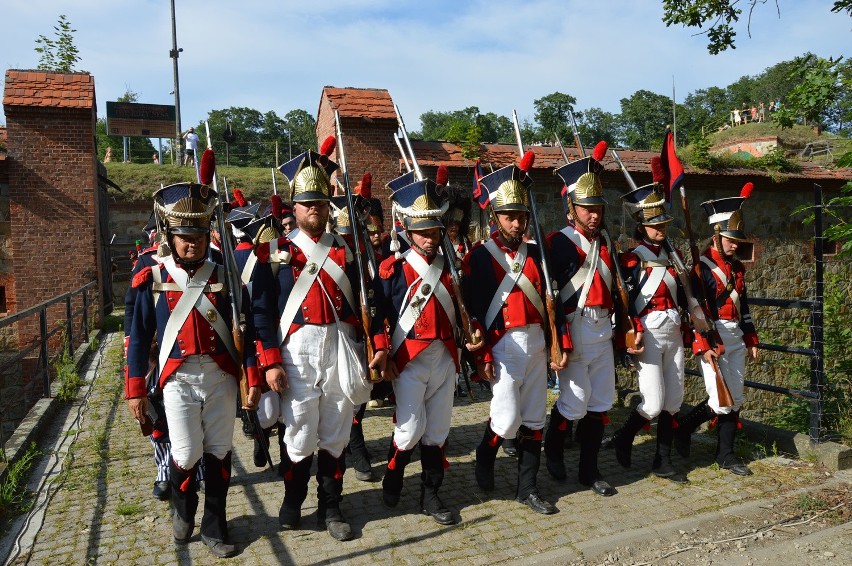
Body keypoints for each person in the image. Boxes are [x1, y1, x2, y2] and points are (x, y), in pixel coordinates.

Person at [251, 137, 390, 541]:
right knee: (297, 433)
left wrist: (378, 344)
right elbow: (261, 313)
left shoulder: (349, 250)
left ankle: (331, 505)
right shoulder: (273, 252)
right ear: (293, 207)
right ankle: (294, 499)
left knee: (335, 432)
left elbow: (373, 303)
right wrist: (270, 361)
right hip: (295, 350)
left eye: (321, 203)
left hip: (341, 345)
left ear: (329, 206)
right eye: (307, 203)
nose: (314, 209)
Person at [126, 182, 262, 558]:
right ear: (171, 235)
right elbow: (138, 337)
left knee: (219, 452)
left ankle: (215, 526)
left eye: (199, 236)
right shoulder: (151, 276)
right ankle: (183, 511)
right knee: (185, 454)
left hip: (220, 376)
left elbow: (244, 331)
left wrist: (251, 375)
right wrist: (135, 388)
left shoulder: (226, 274)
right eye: (185, 236)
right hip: (178, 378)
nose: (192, 244)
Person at [465, 153, 569, 515]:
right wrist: (483, 356)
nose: (516, 222)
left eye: (521, 215)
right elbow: (474, 314)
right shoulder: (480, 257)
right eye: (510, 216)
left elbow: (551, 304)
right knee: (506, 421)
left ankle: (528, 489)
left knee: (534, 419)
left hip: (538, 344)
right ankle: (485, 452)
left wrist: (559, 345)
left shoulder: (538, 253)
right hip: (504, 346)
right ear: (496, 218)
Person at [378, 173, 482, 525]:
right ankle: (393, 475)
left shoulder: (453, 268)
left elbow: (469, 311)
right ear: (408, 231)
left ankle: (431, 493)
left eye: (434, 231)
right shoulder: (393, 270)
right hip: (408, 360)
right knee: (408, 431)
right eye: (422, 232)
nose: (429, 238)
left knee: (437, 431)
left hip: (446, 358)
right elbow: (379, 318)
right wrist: (381, 351)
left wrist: (473, 336)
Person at [606, 176, 705, 481]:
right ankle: (625, 436)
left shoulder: (673, 258)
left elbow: (686, 296)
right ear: (642, 226)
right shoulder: (632, 260)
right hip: (646, 331)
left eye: (663, 224)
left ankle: (663, 460)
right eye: (655, 225)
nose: (661, 229)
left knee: (673, 402)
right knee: (652, 403)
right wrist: (630, 329)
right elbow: (621, 302)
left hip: (673, 330)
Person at [543, 141, 624, 497]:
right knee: (574, 403)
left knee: (600, 402)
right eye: (587, 208)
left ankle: (590, 471)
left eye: (597, 208)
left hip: (603, 329)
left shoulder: (607, 242)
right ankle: (554, 446)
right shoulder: (556, 243)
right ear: (571, 208)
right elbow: (549, 299)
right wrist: (557, 339)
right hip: (574, 328)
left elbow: (618, 288)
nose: (594, 215)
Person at [675, 183, 759, 477]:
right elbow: (693, 310)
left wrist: (750, 337)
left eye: (737, 239)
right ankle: (691, 432)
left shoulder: (737, 269)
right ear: (716, 235)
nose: (735, 244)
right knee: (720, 400)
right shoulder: (701, 269)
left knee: (735, 398)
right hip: (711, 337)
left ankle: (722, 452)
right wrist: (703, 344)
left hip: (734, 333)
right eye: (730, 239)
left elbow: (743, 306)